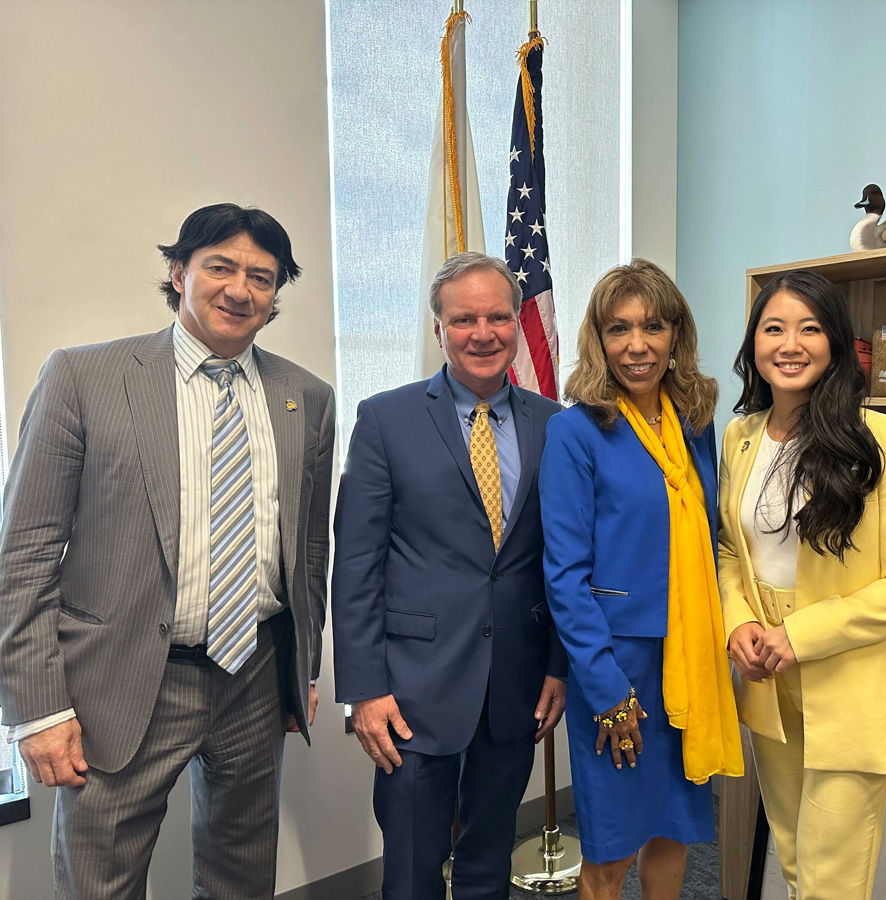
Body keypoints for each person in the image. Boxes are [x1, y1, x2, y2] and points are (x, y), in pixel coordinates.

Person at [0, 203, 336, 899]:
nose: (239, 289)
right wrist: (38, 708)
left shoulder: (306, 397)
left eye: (262, 277)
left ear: (276, 295)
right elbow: (24, 553)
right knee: (101, 884)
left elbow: (307, 551)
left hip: (255, 673)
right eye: (220, 267)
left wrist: (301, 666)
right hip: (119, 683)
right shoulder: (84, 378)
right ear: (179, 272)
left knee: (243, 877)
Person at [331, 252, 566, 900]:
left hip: (516, 681)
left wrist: (557, 665)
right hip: (412, 690)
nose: (482, 333)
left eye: (498, 317)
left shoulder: (556, 424)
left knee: (490, 860)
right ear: (438, 329)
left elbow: (560, 559)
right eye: (464, 320)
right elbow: (356, 563)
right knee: (412, 867)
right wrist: (365, 690)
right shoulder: (386, 419)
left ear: (517, 322)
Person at [717, 269, 886, 900]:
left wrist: (801, 634)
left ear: (836, 343)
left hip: (848, 689)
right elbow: (730, 551)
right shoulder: (739, 437)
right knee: (795, 865)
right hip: (767, 681)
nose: (790, 344)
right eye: (774, 328)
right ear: (754, 344)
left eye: (810, 329)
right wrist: (739, 623)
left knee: (831, 884)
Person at [540, 259, 742, 900]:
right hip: (616, 664)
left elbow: (710, 536)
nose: (637, 345)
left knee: (672, 830)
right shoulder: (574, 431)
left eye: (653, 327)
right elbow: (564, 575)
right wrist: (606, 690)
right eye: (619, 328)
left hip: (689, 656)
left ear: (676, 334)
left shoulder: (695, 426)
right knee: (612, 848)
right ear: (598, 340)